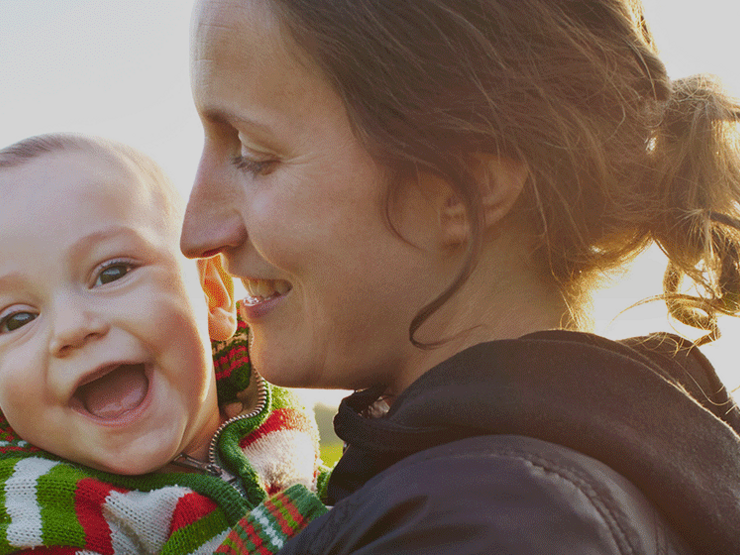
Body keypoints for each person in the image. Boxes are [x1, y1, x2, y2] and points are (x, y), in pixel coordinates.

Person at [180, 0, 740, 553]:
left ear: (464, 187)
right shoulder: (512, 496)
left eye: (253, 152)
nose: (194, 233)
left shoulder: (489, 526)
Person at [0, 133, 328, 554]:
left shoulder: (274, 406)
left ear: (212, 293)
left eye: (112, 273)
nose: (71, 329)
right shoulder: (29, 511)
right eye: (16, 319)